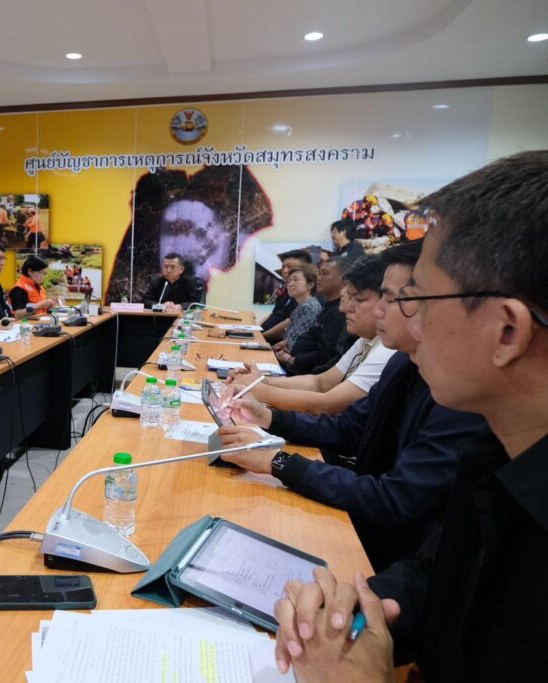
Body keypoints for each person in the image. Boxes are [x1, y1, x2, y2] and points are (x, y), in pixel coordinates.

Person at [271, 151, 548, 682]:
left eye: (418, 299)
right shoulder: (497, 453)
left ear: (507, 331)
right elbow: (439, 577)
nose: (404, 323)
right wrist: (349, 612)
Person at [219, 239, 490, 571]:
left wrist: (278, 462)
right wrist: (269, 418)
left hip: (389, 552)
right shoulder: (402, 363)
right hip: (368, 520)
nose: (378, 311)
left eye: (393, 299)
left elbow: (394, 500)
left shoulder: (460, 396)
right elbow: (347, 429)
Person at [233, 256, 396, 414]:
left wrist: (257, 389)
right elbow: (319, 383)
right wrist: (260, 380)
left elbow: (327, 405)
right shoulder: (365, 340)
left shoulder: (387, 351)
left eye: (358, 300)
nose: (347, 308)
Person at [280, 256, 350, 375]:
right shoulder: (328, 306)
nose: (319, 278)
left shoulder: (340, 312)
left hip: (305, 374)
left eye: (324, 273)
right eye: (319, 273)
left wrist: (292, 360)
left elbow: (325, 355)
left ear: (344, 279)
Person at [262, 250, 312, 342]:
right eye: (283, 267)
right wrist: (256, 329)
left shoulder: (306, 300)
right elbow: (274, 314)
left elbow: (288, 323)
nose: (285, 271)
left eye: (289, 267)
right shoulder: (287, 291)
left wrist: (262, 337)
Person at [280, 263, 321, 352]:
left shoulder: (308, 307)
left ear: (310, 285)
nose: (290, 284)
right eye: (289, 281)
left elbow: (294, 345)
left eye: (295, 280)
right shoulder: (304, 305)